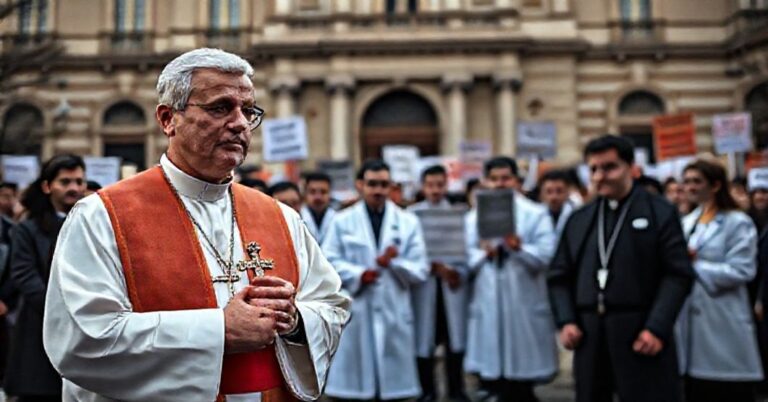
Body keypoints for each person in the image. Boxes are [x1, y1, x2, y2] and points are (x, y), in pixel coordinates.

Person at [42, 48, 350, 402]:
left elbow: (331, 305)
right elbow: (82, 340)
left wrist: (295, 322)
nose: (238, 123)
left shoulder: (281, 217)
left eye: (248, 111)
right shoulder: (101, 216)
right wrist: (218, 330)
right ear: (168, 118)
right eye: (220, 108)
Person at [548, 135, 695, 402]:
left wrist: (657, 327)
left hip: (641, 331)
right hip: (590, 334)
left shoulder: (659, 211)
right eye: (593, 169)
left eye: (609, 167)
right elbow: (559, 276)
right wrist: (566, 320)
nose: (600, 176)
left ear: (631, 167)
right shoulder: (580, 219)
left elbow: (677, 275)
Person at [322, 159, 429, 401]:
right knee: (355, 387)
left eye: (383, 184)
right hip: (358, 305)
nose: (378, 190)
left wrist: (393, 263)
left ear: (391, 186)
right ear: (360, 185)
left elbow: (420, 268)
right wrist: (360, 274)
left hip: (394, 305)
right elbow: (328, 262)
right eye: (372, 184)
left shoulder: (407, 222)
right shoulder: (341, 221)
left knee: (394, 389)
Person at [464, 156, 557, 402]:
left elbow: (546, 256)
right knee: (493, 371)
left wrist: (519, 249)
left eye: (505, 178)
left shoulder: (535, 214)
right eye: (494, 179)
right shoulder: (473, 217)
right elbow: (465, 258)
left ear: (516, 181)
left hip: (523, 299)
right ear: (485, 182)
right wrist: (484, 253)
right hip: (489, 297)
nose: (500, 184)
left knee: (522, 377)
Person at [676, 159, 763, 402]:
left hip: (723, 319)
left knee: (726, 389)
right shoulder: (686, 222)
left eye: (696, 181)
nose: (690, 187)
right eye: (687, 181)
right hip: (692, 323)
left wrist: (695, 265)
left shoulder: (737, 222)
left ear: (715, 185)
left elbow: (743, 270)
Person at [6, 154, 86, 402]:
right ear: (47, 186)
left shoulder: (91, 223)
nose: (74, 188)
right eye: (65, 182)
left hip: (84, 332)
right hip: (39, 331)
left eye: (78, 181)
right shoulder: (27, 229)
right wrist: (61, 311)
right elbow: (24, 275)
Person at [408, 165, 470, 402]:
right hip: (424, 288)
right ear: (423, 187)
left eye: (440, 185)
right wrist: (429, 266)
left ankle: (456, 390)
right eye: (430, 185)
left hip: (451, 288)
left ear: (447, 185)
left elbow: (468, 251)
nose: (435, 190)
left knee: (453, 343)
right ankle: (427, 391)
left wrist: (456, 272)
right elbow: (407, 252)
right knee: (425, 343)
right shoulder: (411, 216)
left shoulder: (459, 215)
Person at [300, 172, 336, 244]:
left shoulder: (338, 218)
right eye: (312, 192)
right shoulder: (298, 217)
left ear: (330, 194)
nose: (318, 197)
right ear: (305, 194)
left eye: (323, 192)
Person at [539, 169, 576, 239]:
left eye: (559, 191)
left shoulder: (576, 214)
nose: (554, 197)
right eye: (549, 192)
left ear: (568, 192)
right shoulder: (535, 216)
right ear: (541, 193)